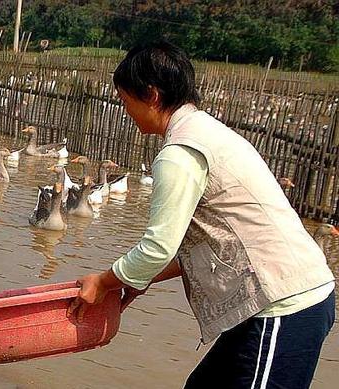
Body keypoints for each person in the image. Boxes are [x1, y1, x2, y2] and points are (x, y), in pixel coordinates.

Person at [67, 40, 336, 389]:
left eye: (125, 100)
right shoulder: (206, 131)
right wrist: (135, 278)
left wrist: (105, 281)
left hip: (283, 305)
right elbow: (207, 242)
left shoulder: (180, 153)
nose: (125, 111)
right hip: (268, 302)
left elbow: (159, 246)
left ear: (150, 95)